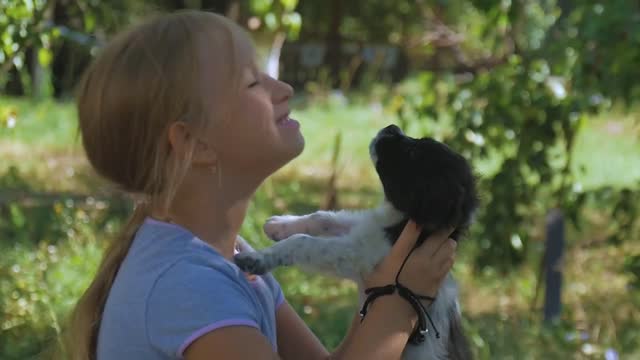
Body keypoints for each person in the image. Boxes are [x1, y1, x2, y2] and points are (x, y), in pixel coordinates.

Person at [65, 10, 458, 360]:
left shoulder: (228, 257)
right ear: (194, 143)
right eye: (253, 82)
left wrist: (380, 291)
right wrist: (402, 303)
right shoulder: (192, 289)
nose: (283, 88)